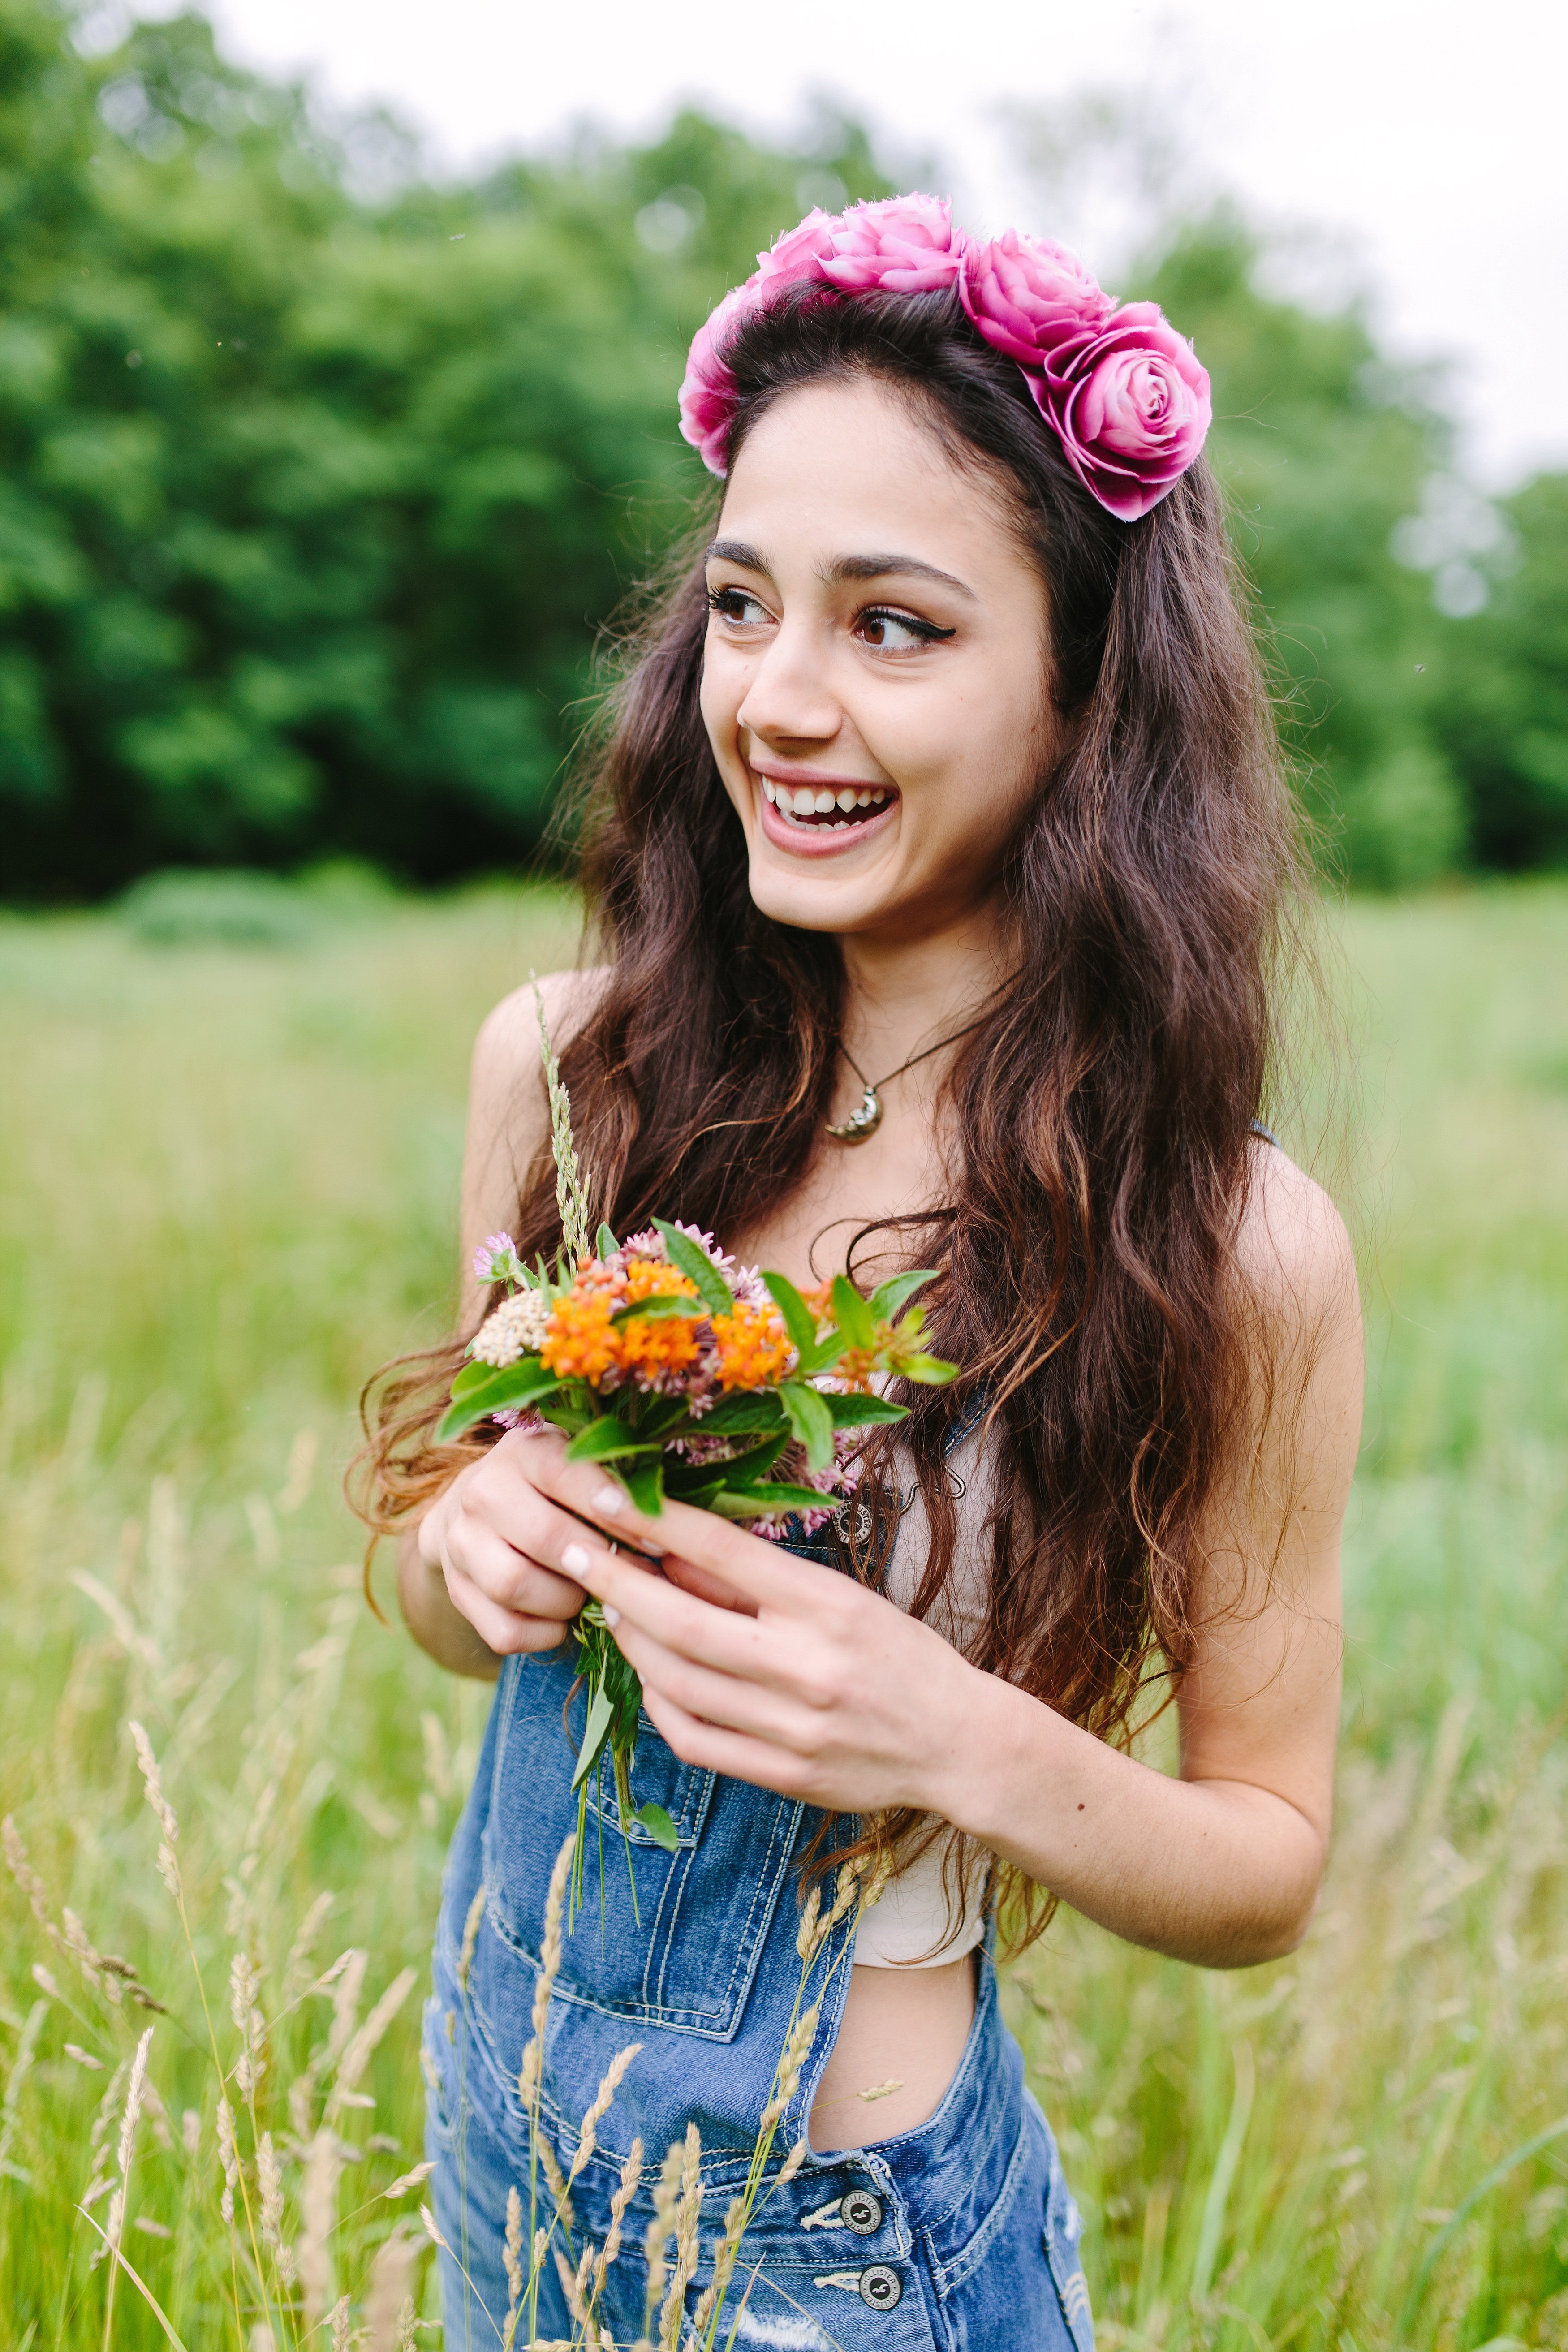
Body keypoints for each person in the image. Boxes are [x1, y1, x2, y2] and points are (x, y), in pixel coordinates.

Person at [358, 194, 1363, 2351]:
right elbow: (454, 1615)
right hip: (506, 2149)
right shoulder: (569, 1075)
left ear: (1088, 687)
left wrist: (950, 1731)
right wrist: (471, 1541)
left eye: (892, 626)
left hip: (844, 2247)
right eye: (741, 605)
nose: (778, 700)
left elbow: (1263, 1856)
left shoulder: (1219, 1240)